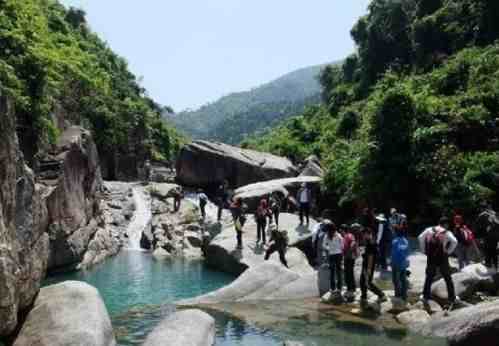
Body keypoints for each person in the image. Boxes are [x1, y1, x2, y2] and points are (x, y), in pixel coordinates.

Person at [419, 216, 458, 305]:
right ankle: (452, 298)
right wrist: (448, 252)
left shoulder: (429, 230)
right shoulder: (446, 232)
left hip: (431, 256)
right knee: (447, 277)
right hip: (442, 257)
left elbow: (420, 237)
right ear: (445, 224)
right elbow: (455, 241)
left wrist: (423, 250)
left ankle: (425, 296)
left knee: (429, 276)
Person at [360, 226, 387, 306]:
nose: (363, 236)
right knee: (362, 282)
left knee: (368, 283)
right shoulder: (369, 241)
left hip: (368, 266)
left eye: (364, 234)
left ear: (367, 234)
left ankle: (381, 295)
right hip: (366, 265)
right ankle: (363, 297)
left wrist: (368, 268)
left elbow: (371, 257)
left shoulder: (371, 243)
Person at [323, 222, 344, 295]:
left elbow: (324, 245)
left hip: (331, 255)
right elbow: (342, 245)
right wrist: (339, 250)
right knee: (339, 271)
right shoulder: (338, 235)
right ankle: (339, 288)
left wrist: (329, 248)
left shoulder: (327, 236)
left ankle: (332, 288)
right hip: (339, 254)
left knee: (332, 272)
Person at [391, 227, 410, 306]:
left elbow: (394, 253)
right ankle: (404, 295)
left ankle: (398, 295)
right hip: (403, 263)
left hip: (396, 263)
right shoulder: (406, 241)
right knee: (403, 279)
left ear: (396, 233)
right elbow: (407, 252)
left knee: (396, 280)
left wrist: (391, 262)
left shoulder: (395, 241)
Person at [343, 224, 359, 301]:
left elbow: (352, 243)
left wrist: (348, 251)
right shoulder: (350, 235)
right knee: (350, 272)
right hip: (351, 257)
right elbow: (353, 243)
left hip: (349, 257)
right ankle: (352, 288)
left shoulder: (347, 236)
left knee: (348, 273)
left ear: (343, 230)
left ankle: (350, 289)